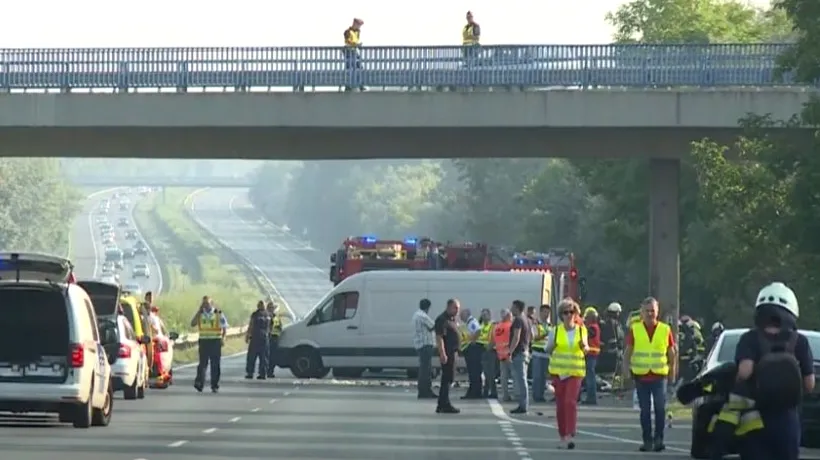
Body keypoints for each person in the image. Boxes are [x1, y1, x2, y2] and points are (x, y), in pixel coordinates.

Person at [729, 282, 813, 460]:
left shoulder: (749, 338)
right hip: (788, 418)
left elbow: (745, 371)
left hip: (754, 417)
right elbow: (809, 384)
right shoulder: (800, 342)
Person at [623, 297, 676, 452]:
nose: (650, 314)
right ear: (642, 312)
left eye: (653, 311)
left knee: (660, 408)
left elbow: (672, 353)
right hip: (641, 377)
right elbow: (628, 352)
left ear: (657, 312)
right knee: (645, 410)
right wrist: (626, 370)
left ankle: (659, 439)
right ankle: (647, 440)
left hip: (659, 376)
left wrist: (673, 371)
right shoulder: (636, 329)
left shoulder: (665, 329)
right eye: (647, 311)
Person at [547, 298, 589, 449]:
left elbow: (586, 349)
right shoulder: (556, 331)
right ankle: (563, 435)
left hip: (575, 372)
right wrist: (552, 346)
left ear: (576, 314)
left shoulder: (581, 330)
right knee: (560, 405)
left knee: (570, 402)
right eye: (566, 312)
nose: (569, 315)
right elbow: (548, 349)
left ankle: (571, 434)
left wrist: (584, 347)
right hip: (559, 373)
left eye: (572, 312)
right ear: (561, 315)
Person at [191, 296, 228, 393]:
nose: (205, 305)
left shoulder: (218, 313)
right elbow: (193, 323)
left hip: (215, 341)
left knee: (215, 365)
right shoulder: (200, 313)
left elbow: (224, 327)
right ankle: (199, 383)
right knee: (202, 364)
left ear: (212, 304)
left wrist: (223, 338)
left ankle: (214, 385)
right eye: (204, 303)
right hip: (204, 341)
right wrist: (199, 311)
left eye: (207, 303)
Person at [434, 298, 461, 413]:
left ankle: (442, 403)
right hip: (448, 353)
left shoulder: (452, 319)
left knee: (449, 378)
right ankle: (445, 404)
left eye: (458, 308)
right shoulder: (442, 320)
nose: (457, 310)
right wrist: (442, 353)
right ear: (449, 307)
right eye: (455, 308)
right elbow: (439, 338)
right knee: (447, 378)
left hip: (453, 352)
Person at [508, 300, 531, 414]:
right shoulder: (526, 319)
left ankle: (523, 405)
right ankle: (523, 403)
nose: (511, 309)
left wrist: (510, 352)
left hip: (519, 353)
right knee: (522, 379)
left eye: (512, 307)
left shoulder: (518, 320)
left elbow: (516, 337)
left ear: (517, 308)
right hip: (525, 351)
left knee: (521, 379)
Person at [413, 298, 437, 399]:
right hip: (425, 345)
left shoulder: (416, 314)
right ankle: (425, 391)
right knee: (426, 370)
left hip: (420, 344)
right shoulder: (422, 316)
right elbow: (432, 326)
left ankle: (423, 390)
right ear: (428, 307)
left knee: (424, 368)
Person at [459, 307, 483, 399]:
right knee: (473, 372)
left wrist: (473, 341)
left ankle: (475, 392)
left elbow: (478, 330)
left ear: (467, 314)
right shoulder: (468, 322)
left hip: (473, 350)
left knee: (474, 372)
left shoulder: (472, 322)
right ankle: (474, 391)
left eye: (462, 315)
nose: (461, 317)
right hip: (471, 350)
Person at [530, 304, 552, 402]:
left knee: (543, 377)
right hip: (537, 353)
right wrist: (546, 334)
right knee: (537, 376)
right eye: (544, 312)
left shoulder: (550, 325)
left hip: (546, 353)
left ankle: (541, 395)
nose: (546, 314)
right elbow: (535, 337)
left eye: (548, 312)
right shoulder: (536, 324)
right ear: (540, 312)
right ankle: (536, 395)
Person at [245, 300, 271, 380]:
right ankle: (263, 373)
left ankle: (250, 373)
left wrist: (248, 335)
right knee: (264, 356)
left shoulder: (255, 314)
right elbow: (271, 327)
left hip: (256, 337)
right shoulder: (268, 315)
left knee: (252, 356)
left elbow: (251, 325)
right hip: (265, 337)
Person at [477, 308, 497, 399]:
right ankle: (485, 391)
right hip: (482, 350)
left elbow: (494, 338)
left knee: (491, 373)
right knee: (485, 373)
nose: (484, 316)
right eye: (483, 315)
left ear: (489, 315)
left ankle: (493, 392)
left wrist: (489, 346)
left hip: (490, 350)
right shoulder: (480, 325)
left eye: (485, 315)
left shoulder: (492, 325)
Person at [494, 309, 514, 402]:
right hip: (510, 354)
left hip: (500, 354)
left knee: (504, 377)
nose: (511, 316)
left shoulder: (497, 327)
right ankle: (517, 395)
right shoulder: (510, 326)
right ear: (507, 316)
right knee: (515, 376)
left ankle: (505, 395)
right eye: (510, 315)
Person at [266, 299, 289, 377]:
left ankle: (269, 371)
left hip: (273, 339)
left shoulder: (275, 317)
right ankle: (266, 371)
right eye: (270, 308)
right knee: (266, 356)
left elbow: (279, 327)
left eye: (272, 308)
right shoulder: (266, 316)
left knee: (272, 357)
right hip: (268, 338)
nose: (271, 309)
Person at [582, 306, 601, 405]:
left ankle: (591, 398)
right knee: (589, 377)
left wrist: (581, 325)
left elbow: (586, 335)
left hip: (591, 354)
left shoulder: (593, 327)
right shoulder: (594, 326)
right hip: (591, 354)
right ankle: (590, 397)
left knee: (590, 377)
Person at [343, 18, 365, 92]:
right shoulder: (347, 32)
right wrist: (356, 44)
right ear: (355, 24)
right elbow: (348, 41)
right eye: (359, 25)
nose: (359, 27)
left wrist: (358, 45)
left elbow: (356, 40)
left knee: (360, 68)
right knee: (350, 69)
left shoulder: (358, 32)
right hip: (349, 51)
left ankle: (360, 84)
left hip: (354, 51)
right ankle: (348, 86)